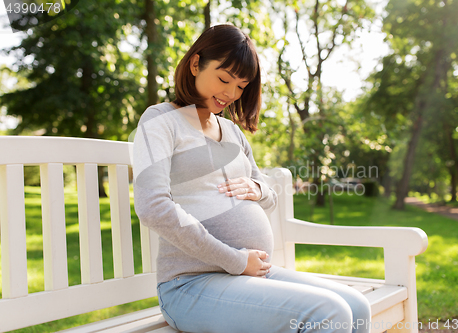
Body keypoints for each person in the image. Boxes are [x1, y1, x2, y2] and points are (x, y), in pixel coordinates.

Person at [133, 24, 370, 333]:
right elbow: (153, 207)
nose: (231, 94)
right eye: (223, 79)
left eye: (241, 86)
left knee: (357, 307)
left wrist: (258, 188)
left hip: (247, 274)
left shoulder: (231, 132)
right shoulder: (161, 120)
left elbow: (269, 196)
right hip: (190, 284)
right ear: (195, 64)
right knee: (328, 312)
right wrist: (235, 261)